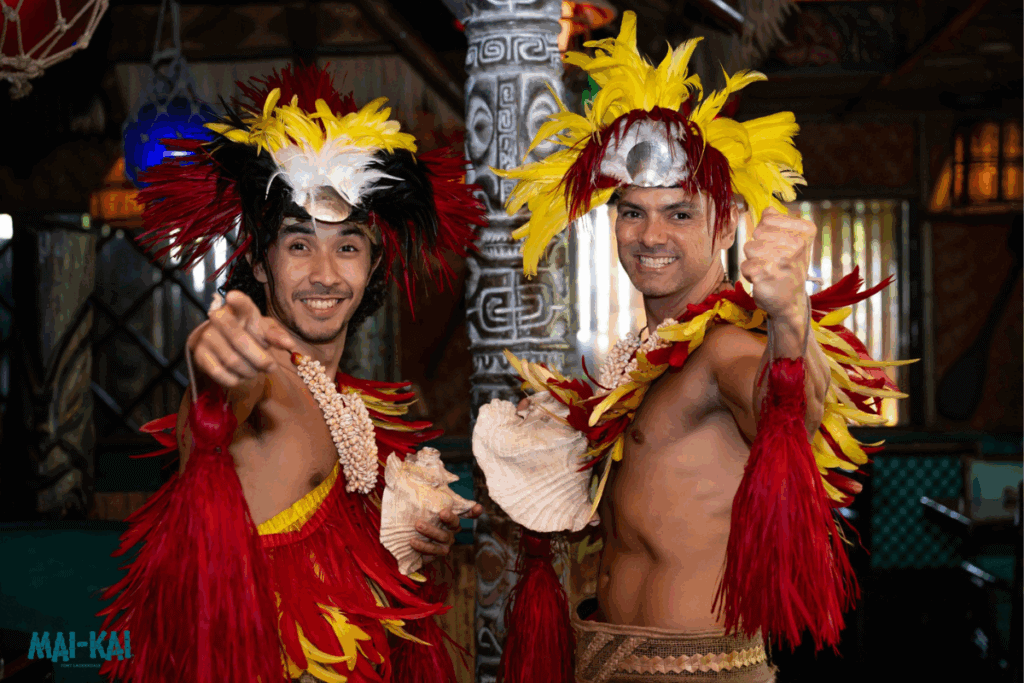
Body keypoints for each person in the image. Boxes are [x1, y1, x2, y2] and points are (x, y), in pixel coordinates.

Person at [475, 11, 909, 683]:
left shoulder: (725, 349)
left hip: (696, 670)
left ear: (729, 220)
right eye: (632, 210)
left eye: (680, 212)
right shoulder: (644, 361)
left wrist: (790, 316)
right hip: (609, 658)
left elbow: (789, 409)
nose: (651, 235)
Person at [98, 65, 485, 683]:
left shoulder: (343, 399)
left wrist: (400, 542)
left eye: (348, 246)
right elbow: (211, 420)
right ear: (258, 258)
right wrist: (212, 369)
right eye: (299, 244)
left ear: (374, 263)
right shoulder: (265, 377)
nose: (326, 274)